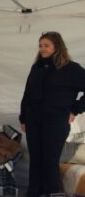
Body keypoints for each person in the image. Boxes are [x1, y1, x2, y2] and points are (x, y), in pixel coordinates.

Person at [19, 31, 85, 197]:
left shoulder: (71, 69)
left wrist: (75, 109)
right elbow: (27, 94)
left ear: (57, 46)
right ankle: (33, 193)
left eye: (46, 45)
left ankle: (51, 194)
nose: (42, 49)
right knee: (36, 160)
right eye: (40, 46)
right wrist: (23, 118)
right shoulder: (37, 68)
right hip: (34, 121)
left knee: (50, 161)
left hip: (56, 122)